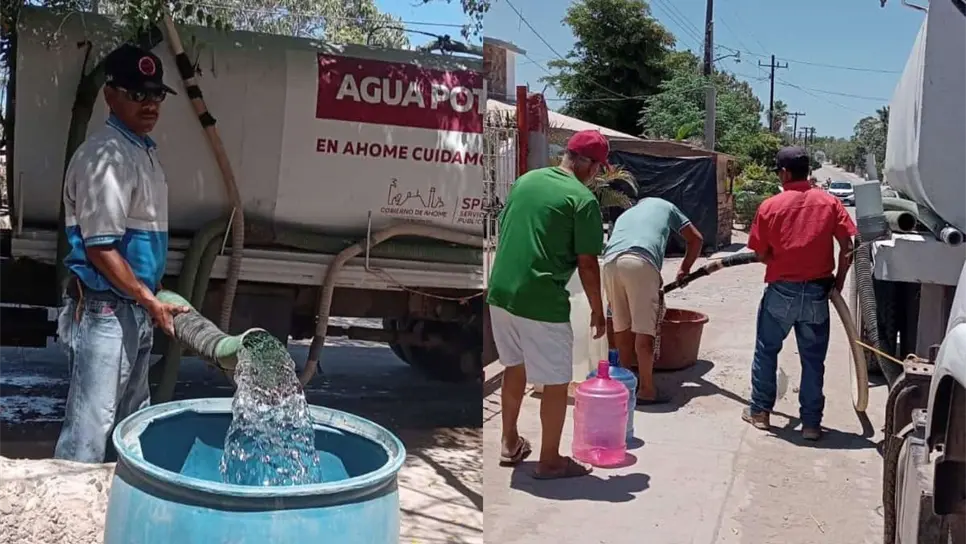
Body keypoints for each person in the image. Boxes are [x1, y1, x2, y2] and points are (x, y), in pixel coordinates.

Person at [54, 44, 189, 463]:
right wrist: (148, 298)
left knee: (131, 423)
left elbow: (136, 235)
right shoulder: (107, 156)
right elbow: (100, 248)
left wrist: (151, 289)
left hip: (130, 306)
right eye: (137, 95)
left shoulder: (140, 151)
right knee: (91, 428)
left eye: (156, 95)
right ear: (110, 96)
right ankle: (70, 513)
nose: (149, 104)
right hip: (106, 311)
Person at [487, 130, 607, 480]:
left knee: (515, 365)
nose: (597, 174)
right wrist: (599, 310)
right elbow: (587, 263)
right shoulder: (582, 200)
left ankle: (510, 442)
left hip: (500, 292)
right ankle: (550, 460)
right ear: (587, 164)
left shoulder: (526, 181)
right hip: (540, 298)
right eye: (598, 167)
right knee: (556, 381)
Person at [743, 146, 857, 441]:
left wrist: (779, 262)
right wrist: (839, 281)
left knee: (767, 351)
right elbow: (849, 246)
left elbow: (759, 251)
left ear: (784, 173)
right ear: (808, 171)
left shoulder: (771, 206)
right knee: (813, 359)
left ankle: (760, 413)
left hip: (781, 291)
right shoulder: (830, 203)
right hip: (819, 292)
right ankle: (810, 424)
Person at [601, 198, 703, 404]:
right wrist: (685, 268)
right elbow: (696, 238)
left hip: (610, 263)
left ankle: (626, 384)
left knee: (621, 324)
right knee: (644, 329)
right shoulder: (668, 207)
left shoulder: (627, 214)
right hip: (640, 261)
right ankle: (647, 389)